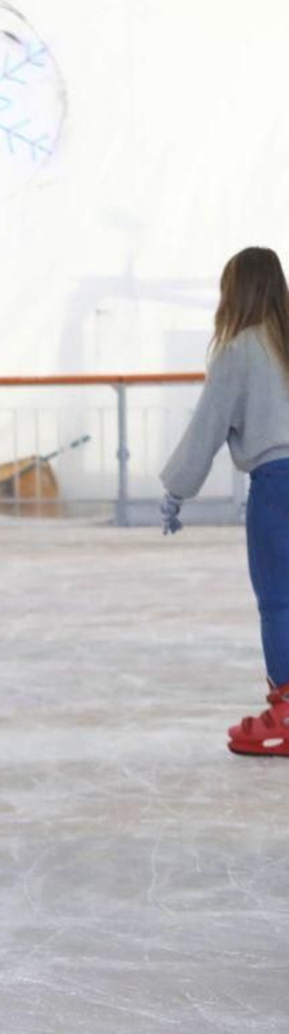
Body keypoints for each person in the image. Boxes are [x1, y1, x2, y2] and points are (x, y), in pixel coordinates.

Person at [160, 246, 289, 757]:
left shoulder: (241, 350)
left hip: (277, 484)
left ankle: (287, 708)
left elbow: (207, 427)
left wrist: (176, 489)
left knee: (280, 599)